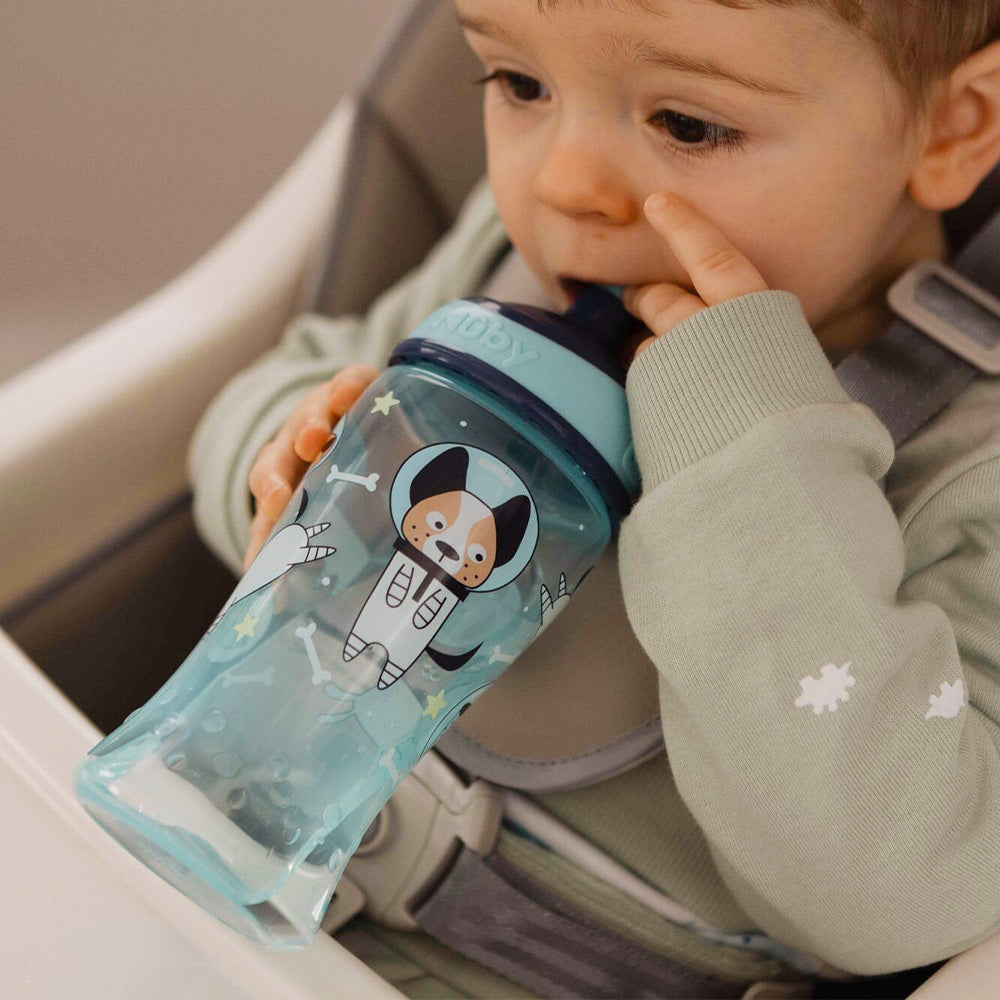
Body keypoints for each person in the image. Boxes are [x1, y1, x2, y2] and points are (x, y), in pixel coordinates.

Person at [189, 1, 1000, 996]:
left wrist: (743, 463)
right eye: (519, 85)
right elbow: (278, 389)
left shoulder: (973, 462)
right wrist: (298, 461)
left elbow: (897, 892)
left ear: (956, 128)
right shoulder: (516, 262)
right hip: (218, 850)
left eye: (688, 126)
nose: (565, 183)